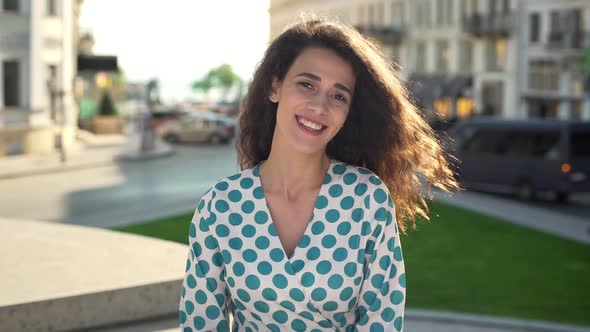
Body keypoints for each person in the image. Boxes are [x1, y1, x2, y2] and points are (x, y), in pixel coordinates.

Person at [179, 17, 458, 331]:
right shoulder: (221, 206)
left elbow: (382, 322)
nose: (319, 106)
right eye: (307, 84)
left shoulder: (367, 199)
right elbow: (200, 323)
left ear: (347, 112)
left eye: (338, 96)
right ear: (275, 86)